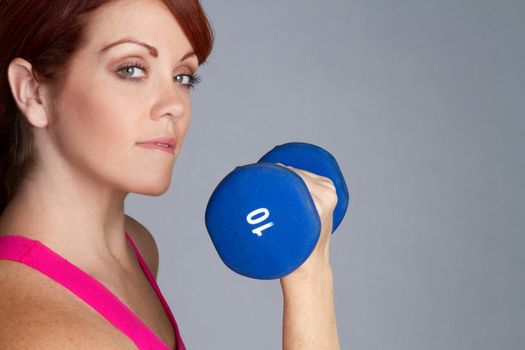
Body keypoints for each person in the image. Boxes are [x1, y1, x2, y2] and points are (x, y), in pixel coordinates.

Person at [0, 0, 340, 349]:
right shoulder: (43, 330)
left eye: (183, 76)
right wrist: (309, 277)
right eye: (132, 69)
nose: (175, 104)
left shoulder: (136, 246)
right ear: (33, 92)